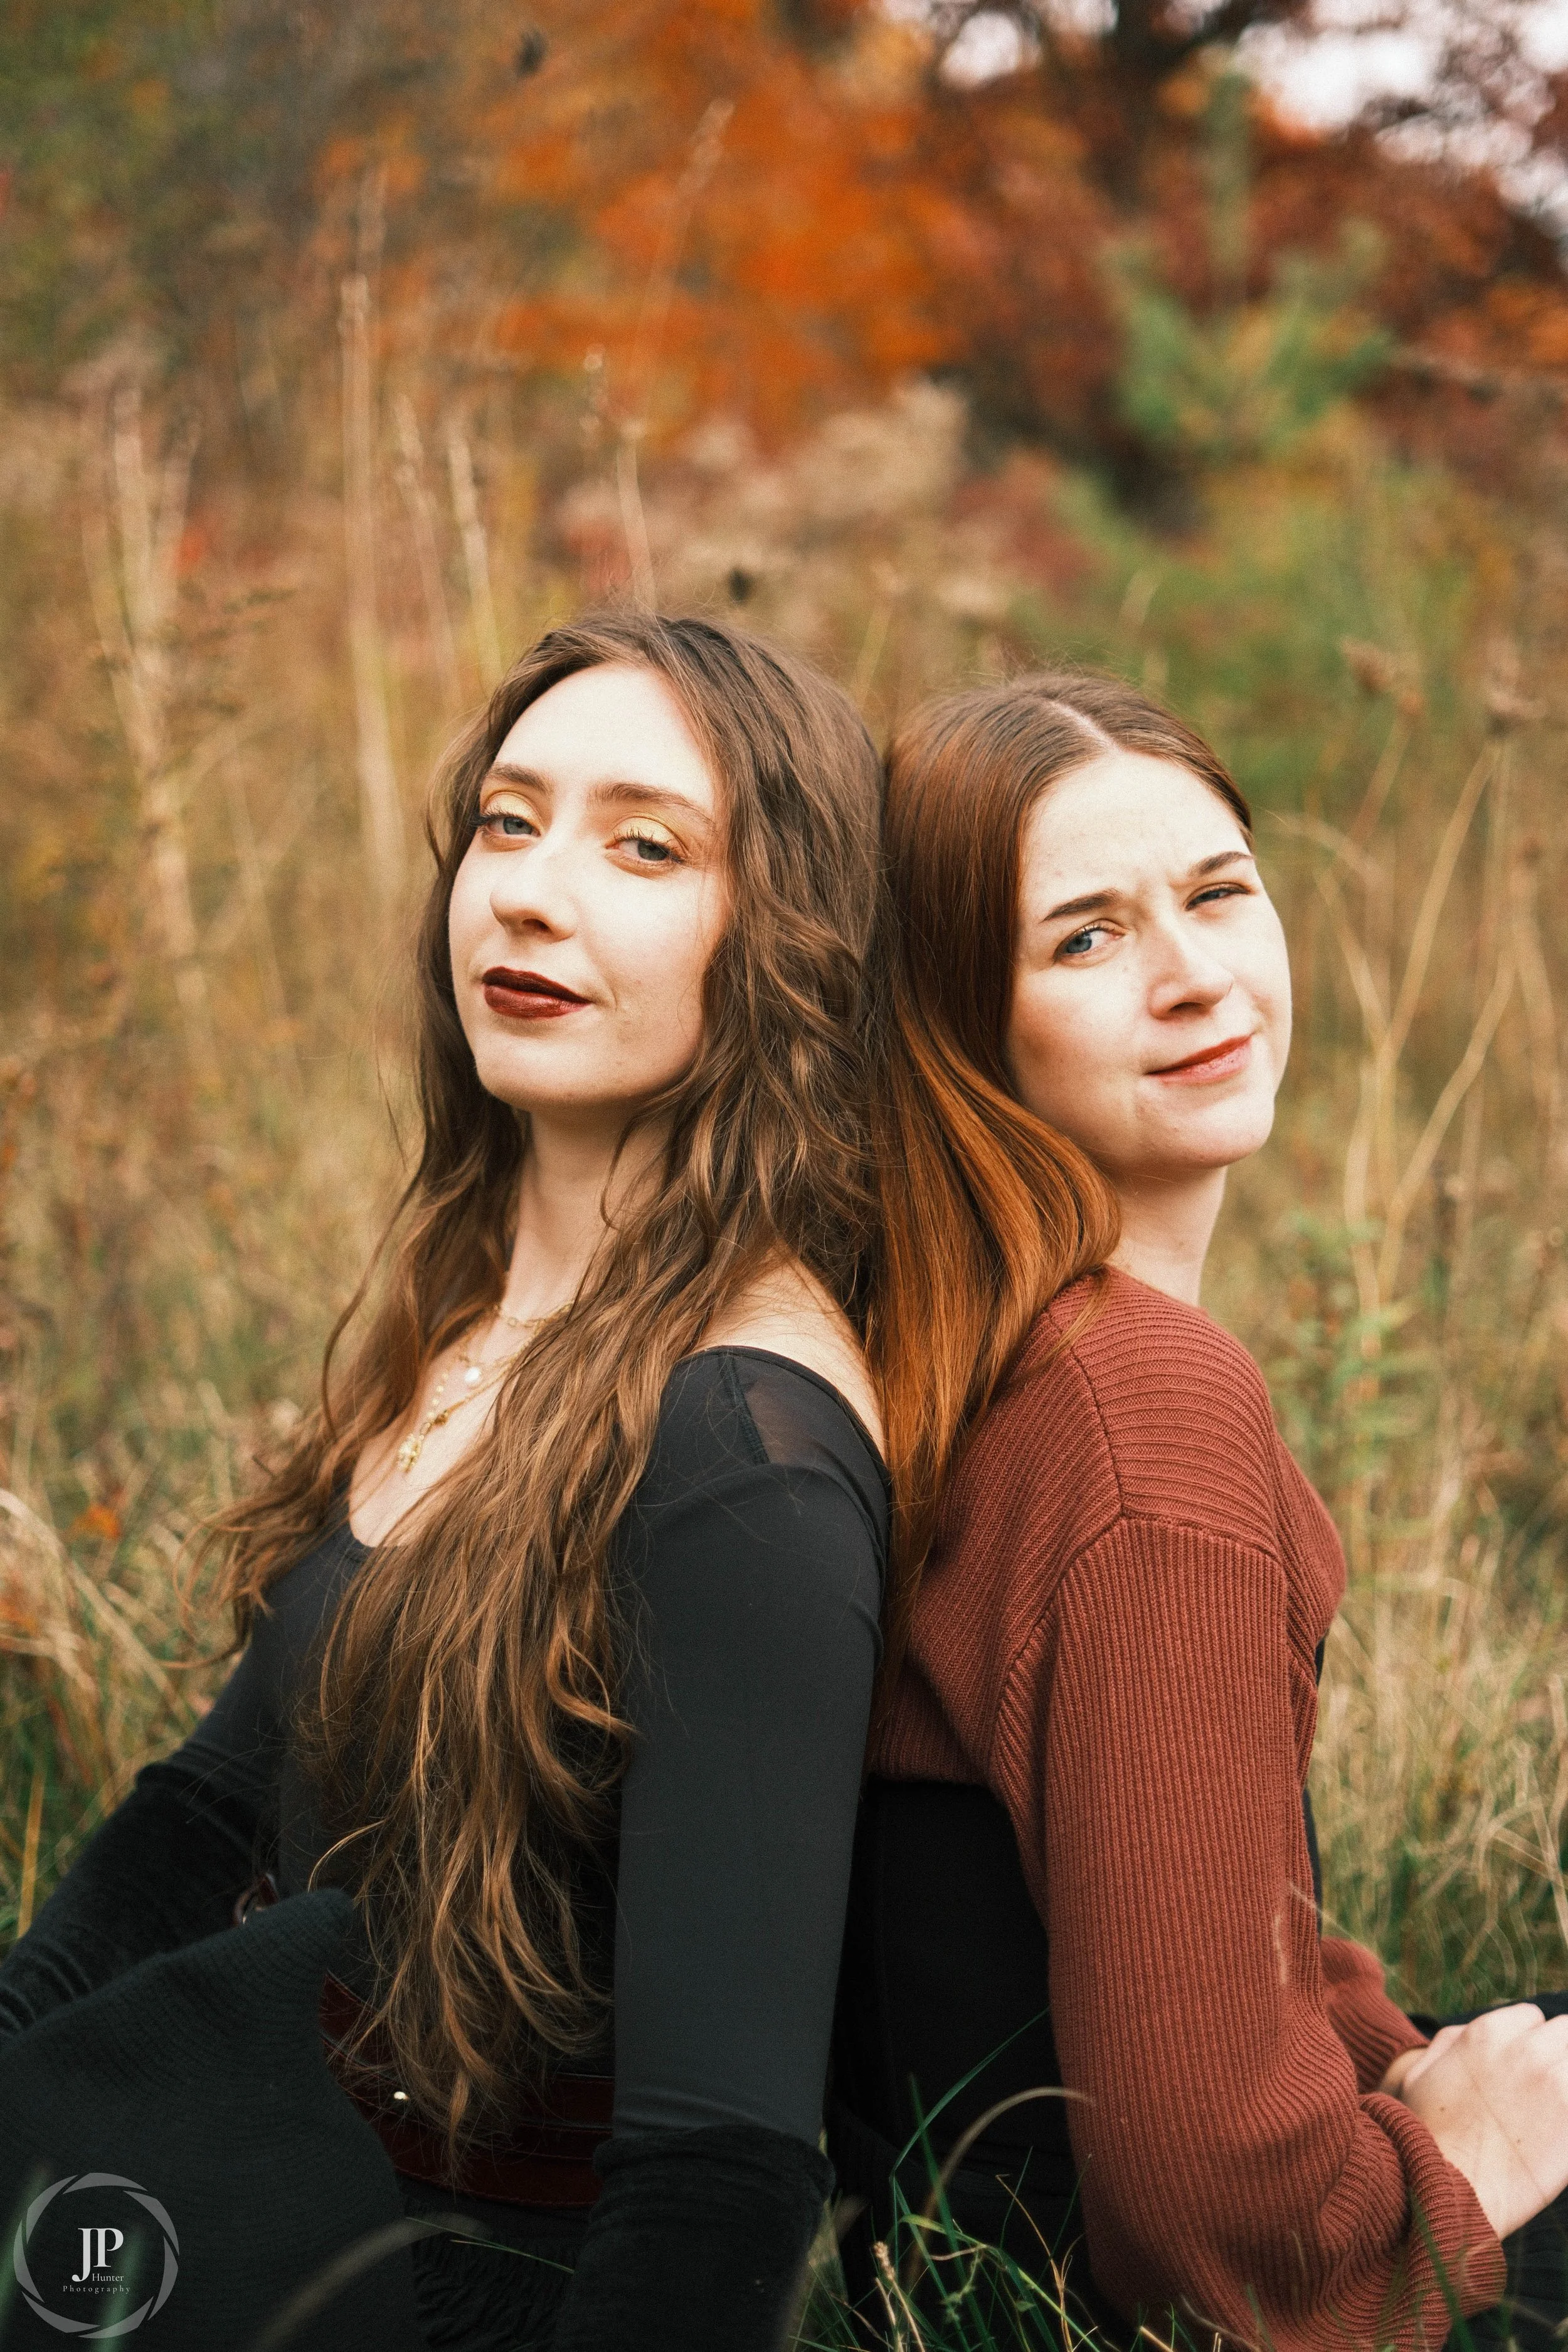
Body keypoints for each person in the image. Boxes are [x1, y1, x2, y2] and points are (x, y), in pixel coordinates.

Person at [0, 612, 891, 2352]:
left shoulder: (745, 1446)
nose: (532, 891)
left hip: (438, 2291)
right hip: (252, 2163)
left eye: (645, 844)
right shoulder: (478, 1317)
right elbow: (192, 1822)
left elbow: (718, 2174)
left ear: (787, 935)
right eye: (506, 820)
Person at [829, 672, 1568, 2351]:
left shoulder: (970, 1342)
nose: (1194, 975)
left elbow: (1158, 1917)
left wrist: (1391, 2051)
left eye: (1218, 893)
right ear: (960, 1020)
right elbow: (1206, 2219)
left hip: (953, 2258)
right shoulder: (1135, 1408)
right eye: (1083, 938)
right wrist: (1455, 2170)